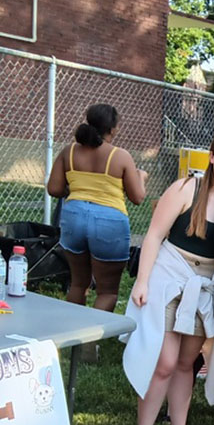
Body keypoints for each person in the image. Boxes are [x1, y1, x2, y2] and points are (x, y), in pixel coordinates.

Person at [122, 130, 214, 425]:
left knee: (185, 364)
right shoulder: (186, 188)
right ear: (212, 156)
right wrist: (143, 281)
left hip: (205, 286)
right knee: (163, 362)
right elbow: (153, 234)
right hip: (169, 278)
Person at [47, 103, 147, 311]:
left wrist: (78, 192)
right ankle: (91, 343)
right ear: (112, 129)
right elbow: (137, 197)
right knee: (108, 291)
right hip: (108, 221)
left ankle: (72, 337)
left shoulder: (69, 151)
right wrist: (141, 177)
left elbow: (54, 188)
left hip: (74, 215)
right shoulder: (120, 156)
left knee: (78, 283)